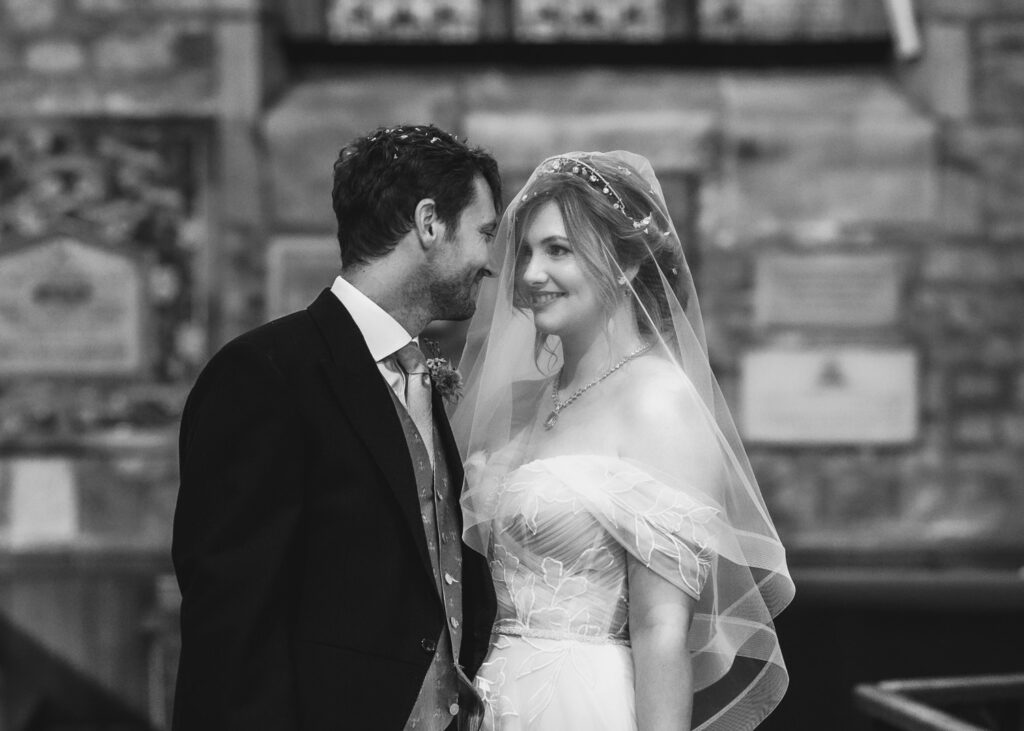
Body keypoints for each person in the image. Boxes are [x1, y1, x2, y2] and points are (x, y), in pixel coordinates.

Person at [172, 124, 500, 730]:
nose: (490, 265)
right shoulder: (264, 375)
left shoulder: (420, 375)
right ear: (430, 224)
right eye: (484, 234)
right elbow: (232, 624)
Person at [452, 151, 794, 730]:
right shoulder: (529, 401)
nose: (531, 274)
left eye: (558, 250)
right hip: (495, 699)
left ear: (627, 265)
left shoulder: (659, 405)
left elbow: (662, 630)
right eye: (528, 251)